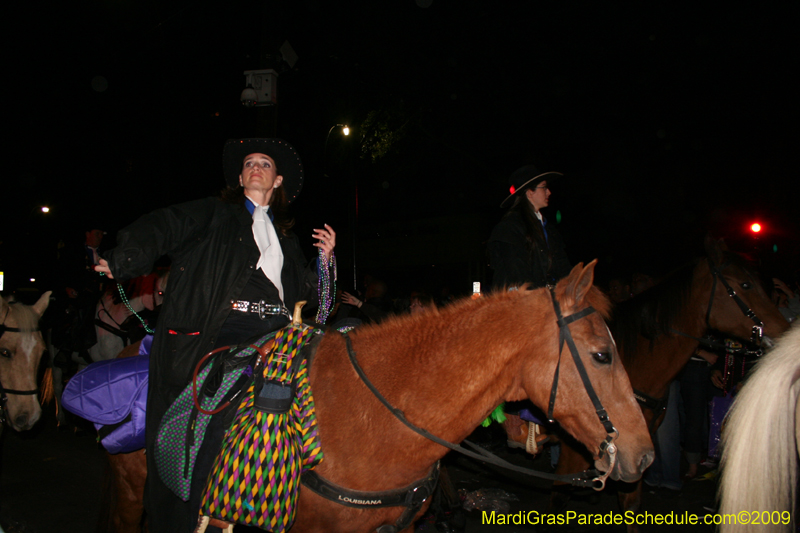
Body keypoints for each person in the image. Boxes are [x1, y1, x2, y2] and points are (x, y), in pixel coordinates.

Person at [95, 138, 336, 533]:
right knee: (224, 409)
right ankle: (199, 511)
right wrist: (124, 257)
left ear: (277, 181)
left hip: (277, 333)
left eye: (264, 164)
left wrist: (326, 263)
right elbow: (166, 223)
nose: (256, 167)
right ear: (241, 177)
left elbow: (320, 308)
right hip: (220, 331)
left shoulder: (288, 242)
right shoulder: (213, 215)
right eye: (249, 163)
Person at [488, 165, 571, 291]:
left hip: (545, 299)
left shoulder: (548, 228)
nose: (549, 192)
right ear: (529, 192)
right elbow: (517, 272)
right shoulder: (510, 227)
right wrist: (539, 297)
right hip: (519, 302)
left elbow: (562, 265)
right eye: (544, 187)